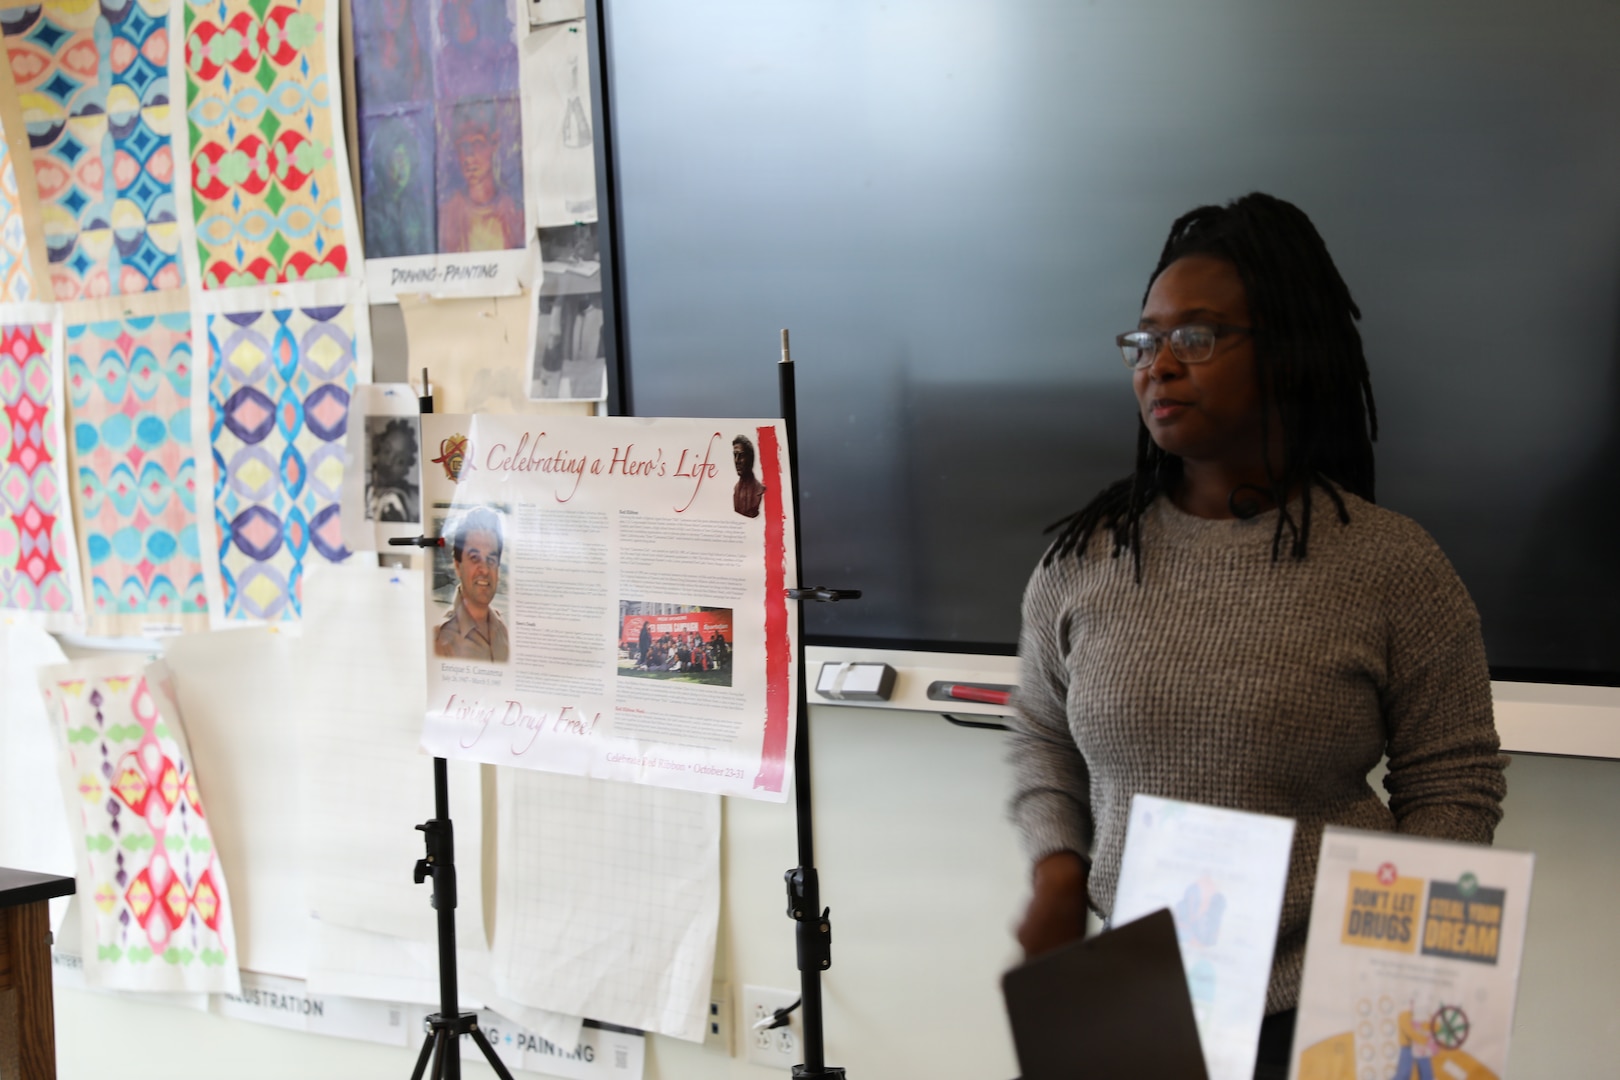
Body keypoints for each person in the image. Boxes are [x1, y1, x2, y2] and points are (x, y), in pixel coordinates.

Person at [1006, 193, 1506, 1079]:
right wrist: (1057, 872)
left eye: (1196, 337)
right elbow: (1044, 735)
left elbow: (1453, 781)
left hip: (1326, 1013)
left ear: (1285, 352)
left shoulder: (1390, 565)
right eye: (1145, 340)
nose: (1158, 365)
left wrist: (1387, 990)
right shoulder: (1085, 559)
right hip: (1133, 995)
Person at [433, 507, 510, 662]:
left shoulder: (504, 629)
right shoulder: (440, 641)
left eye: (491, 559)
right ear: (457, 566)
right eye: (475, 558)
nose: (484, 569)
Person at [732, 435, 766, 518]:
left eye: (741, 455)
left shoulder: (759, 489)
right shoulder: (736, 488)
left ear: (750, 458)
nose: (737, 461)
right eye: (735, 455)